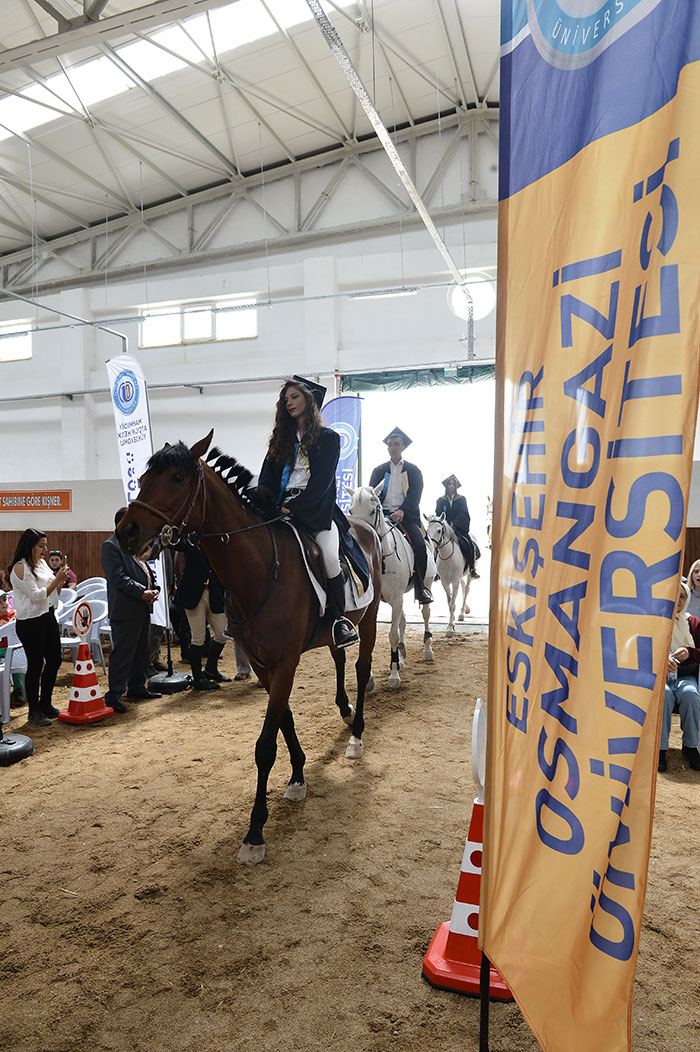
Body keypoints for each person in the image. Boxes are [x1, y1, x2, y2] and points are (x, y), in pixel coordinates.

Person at [258, 376, 358, 648]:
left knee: (328, 555)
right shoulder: (279, 440)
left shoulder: (329, 439)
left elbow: (322, 483)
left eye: (295, 397)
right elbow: (266, 479)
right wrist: (263, 502)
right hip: (279, 509)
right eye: (286, 399)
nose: (289, 402)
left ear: (309, 401)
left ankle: (339, 621)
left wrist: (295, 507)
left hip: (315, 511)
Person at [100, 507, 162, 713]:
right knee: (123, 653)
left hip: (140, 607)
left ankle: (136, 686)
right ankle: (114, 694)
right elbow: (117, 578)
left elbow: (141, 570)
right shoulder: (110, 546)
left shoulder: (130, 545)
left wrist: (151, 590)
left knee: (140, 651)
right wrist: (142, 592)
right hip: (125, 610)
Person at [8, 529, 70, 726]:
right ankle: (33, 711)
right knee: (36, 665)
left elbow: (50, 589)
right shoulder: (20, 568)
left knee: (55, 660)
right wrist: (58, 580)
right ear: (30, 546)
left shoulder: (41, 563)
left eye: (45, 545)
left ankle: (46, 703)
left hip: (47, 615)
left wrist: (59, 580)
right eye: (41, 546)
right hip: (30, 622)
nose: (45, 550)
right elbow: (36, 595)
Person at [369, 426, 433, 605]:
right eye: (390, 444)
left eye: (396, 444)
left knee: (420, 545)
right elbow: (372, 494)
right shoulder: (379, 471)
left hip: (406, 516)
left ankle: (420, 588)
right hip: (382, 516)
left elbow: (415, 495)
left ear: (403, 447)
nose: (393, 447)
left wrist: (402, 510)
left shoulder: (413, 471)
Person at [174, 541, 231, 691]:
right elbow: (176, 545)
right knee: (198, 637)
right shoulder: (191, 541)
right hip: (194, 593)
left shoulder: (219, 541)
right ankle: (198, 678)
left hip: (214, 593)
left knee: (221, 634)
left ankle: (211, 669)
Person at [660, 579, 700, 772]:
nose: (678, 599)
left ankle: (691, 747)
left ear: (687, 599)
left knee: (691, 694)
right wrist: (662, 660)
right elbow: (643, 648)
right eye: (675, 594)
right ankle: (660, 749)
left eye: (683, 596)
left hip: (686, 675)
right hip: (660, 677)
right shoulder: (657, 620)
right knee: (664, 696)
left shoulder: (692, 622)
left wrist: (689, 652)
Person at [435, 474, 480, 578]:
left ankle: (472, 568)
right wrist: (445, 526)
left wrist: (455, 526)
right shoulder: (440, 500)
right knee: (435, 544)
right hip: (445, 530)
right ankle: (436, 571)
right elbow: (438, 514)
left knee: (469, 543)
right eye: (449, 484)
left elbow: (463, 513)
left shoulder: (461, 499)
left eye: (453, 484)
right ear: (446, 486)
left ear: (456, 487)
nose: (451, 486)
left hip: (458, 529)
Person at [0, 590, 26, 707]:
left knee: (15, 666)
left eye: (4, 600)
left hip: (14, 648)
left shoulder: (14, 615)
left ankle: (18, 690)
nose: (3, 604)